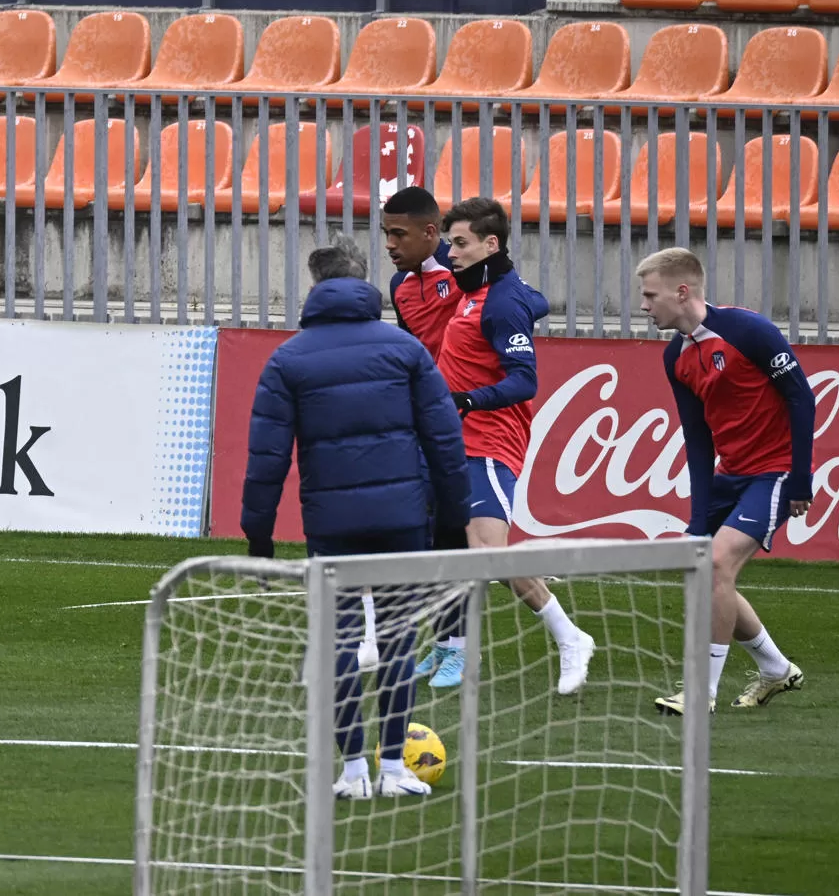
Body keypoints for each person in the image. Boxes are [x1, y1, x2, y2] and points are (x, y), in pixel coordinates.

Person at [240, 243, 470, 800]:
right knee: (396, 639)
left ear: (315, 287)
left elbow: (266, 459)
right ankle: (393, 767)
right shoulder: (407, 350)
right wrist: (453, 521)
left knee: (339, 641)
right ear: (366, 286)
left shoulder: (289, 358)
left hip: (332, 522)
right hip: (402, 518)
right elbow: (445, 442)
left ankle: (352, 772)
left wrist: (260, 539)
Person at [639, 248, 811, 714]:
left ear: (682, 291)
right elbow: (697, 439)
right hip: (728, 474)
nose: (643, 305)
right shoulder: (675, 356)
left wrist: (800, 478)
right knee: (702, 569)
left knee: (716, 565)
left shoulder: (747, 330)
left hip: (774, 471)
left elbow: (801, 398)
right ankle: (775, 668)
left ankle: (701, 691)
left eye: (650, 294)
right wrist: (697, 518)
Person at [437, 197, 595, 695]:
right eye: (449, 242)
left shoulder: (501, 300)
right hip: (455, 441)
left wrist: (466, 399)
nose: (450, 253)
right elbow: (539, 300)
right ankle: (443, 649)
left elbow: (524, 382)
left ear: (491, 243)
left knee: (488, 552)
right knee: (442, 545)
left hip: (486, 441)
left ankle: (571, 638)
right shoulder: (489, 288)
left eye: (459, 244)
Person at [382, 186, 472, 688]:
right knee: (426, 533)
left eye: (399, 234)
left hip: (472, 422)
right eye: (386, 234)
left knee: (455, 535)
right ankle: (442, 645)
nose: (390, 244)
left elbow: (527, 304)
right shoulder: (400, 286)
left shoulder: (464, 272)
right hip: (426, 422)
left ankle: (457, 648)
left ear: (430, 233)